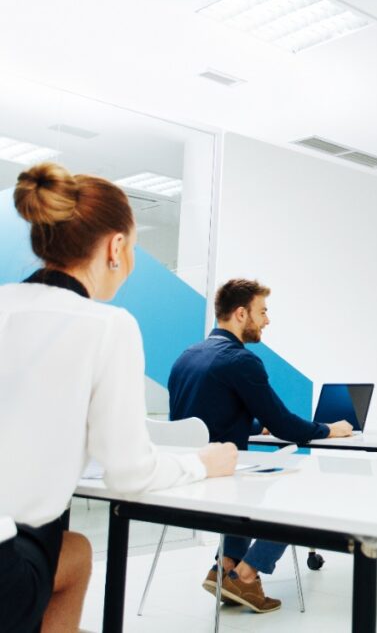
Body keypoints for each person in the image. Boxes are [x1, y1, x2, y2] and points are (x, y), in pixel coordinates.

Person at [0, 162, 237, 633]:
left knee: (74, 550)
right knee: (67, 554)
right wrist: (203, 464)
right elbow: (130, 476)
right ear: (116, 246)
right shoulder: (108, 326)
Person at [168, 278, 354, 613]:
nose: (267, 320)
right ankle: (247, 575)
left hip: (184, 478)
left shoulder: (186, 356)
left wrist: (255, 424)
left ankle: (224, 567)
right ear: (241, 314)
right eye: (263, 312)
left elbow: (202, 418)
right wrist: (329, 429)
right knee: (299, 493)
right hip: (219, 482)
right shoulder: (241, 361)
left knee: (250, 484)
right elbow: (286, 424)